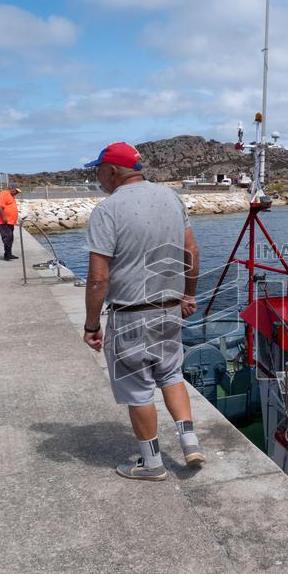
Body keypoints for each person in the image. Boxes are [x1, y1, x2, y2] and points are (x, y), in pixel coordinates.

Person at [82, 142, 201, 481]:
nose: (97, 176)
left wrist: (92, 324)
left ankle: (151, 464)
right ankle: (190, 442)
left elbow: (97, 278)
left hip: (130, 314)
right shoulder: (171, 198)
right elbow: (191, 250)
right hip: (168, 311)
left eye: (99, 170)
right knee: (171, 374)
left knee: (137, 389)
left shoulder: (107, 210)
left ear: (114, 171)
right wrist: (188, 295)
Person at [0, 185, 20, 260]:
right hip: (4, 221)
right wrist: (4, 217)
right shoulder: (4, 193)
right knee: (7, 237)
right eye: (16, 191)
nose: (17, 193)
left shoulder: (11, 195)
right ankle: (7, 254)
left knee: (10, 238)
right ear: (11, 188)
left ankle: (8, 254)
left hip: (10, 222)